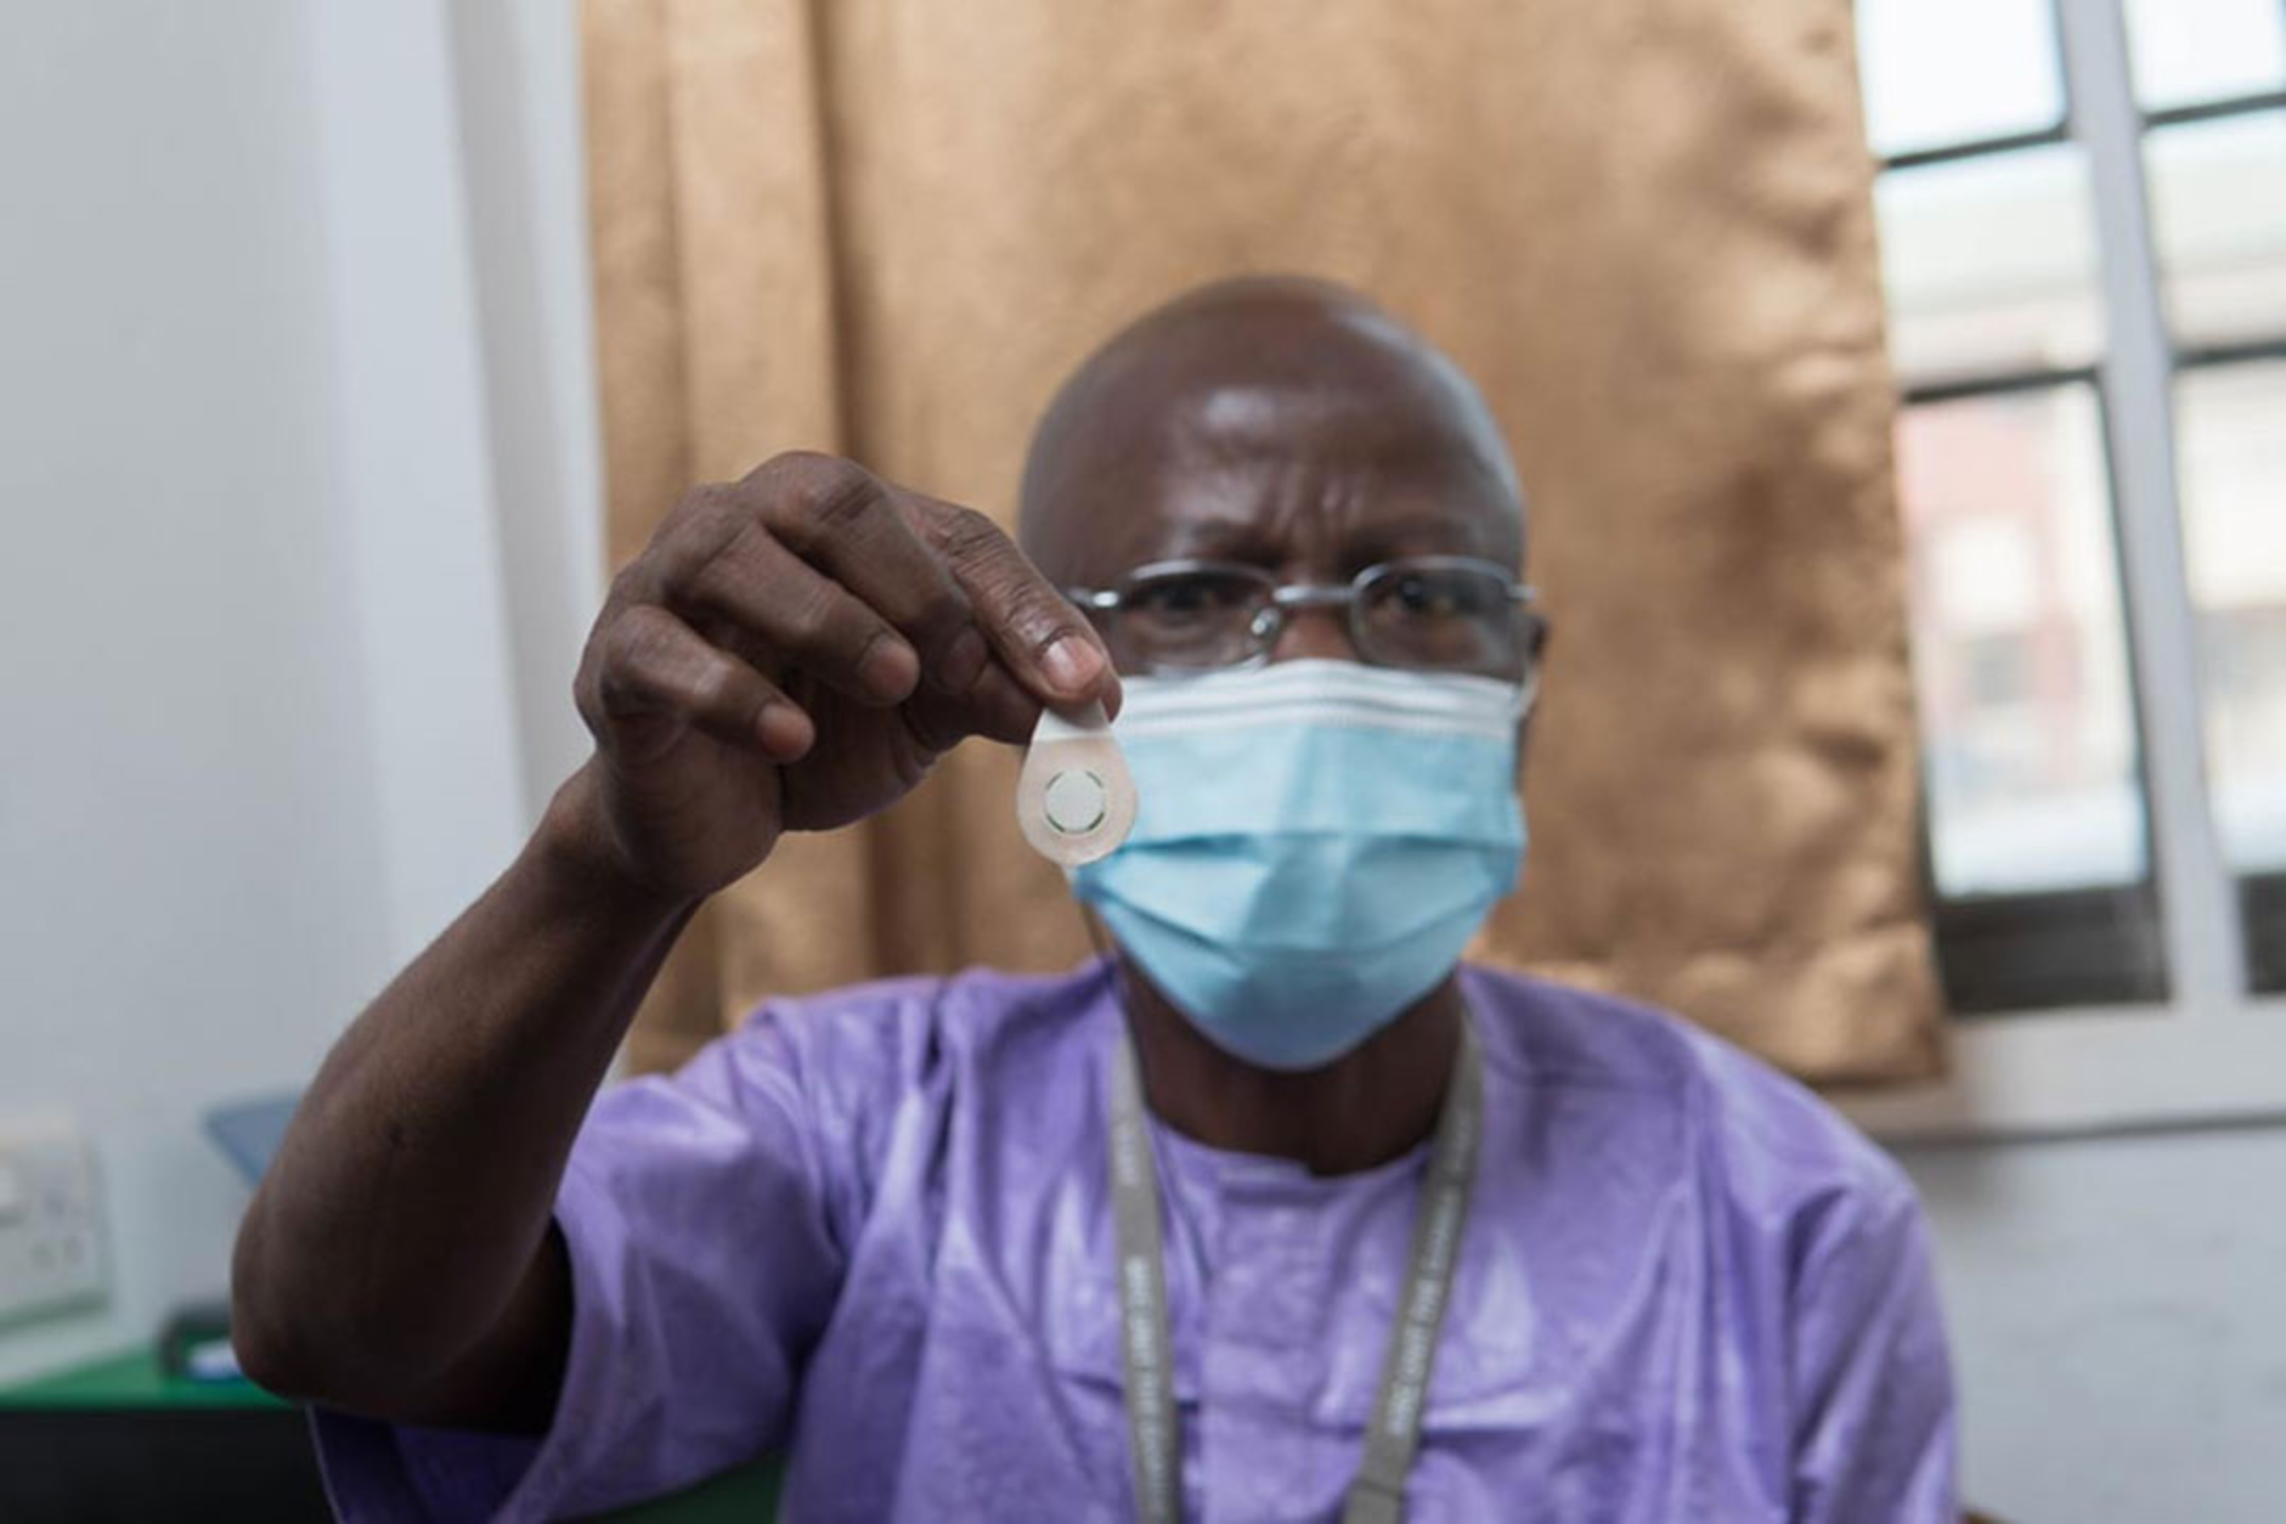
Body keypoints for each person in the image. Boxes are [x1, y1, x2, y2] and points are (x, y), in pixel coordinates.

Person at [232, 276, 1956, 1522]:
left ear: (1521, 690)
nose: (1318, 671)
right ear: (1032, 670)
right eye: (1196, 597)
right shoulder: (863, 1128)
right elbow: (341, 1332)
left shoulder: (1780, 1216)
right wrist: (611, 863)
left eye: (1418, 595)